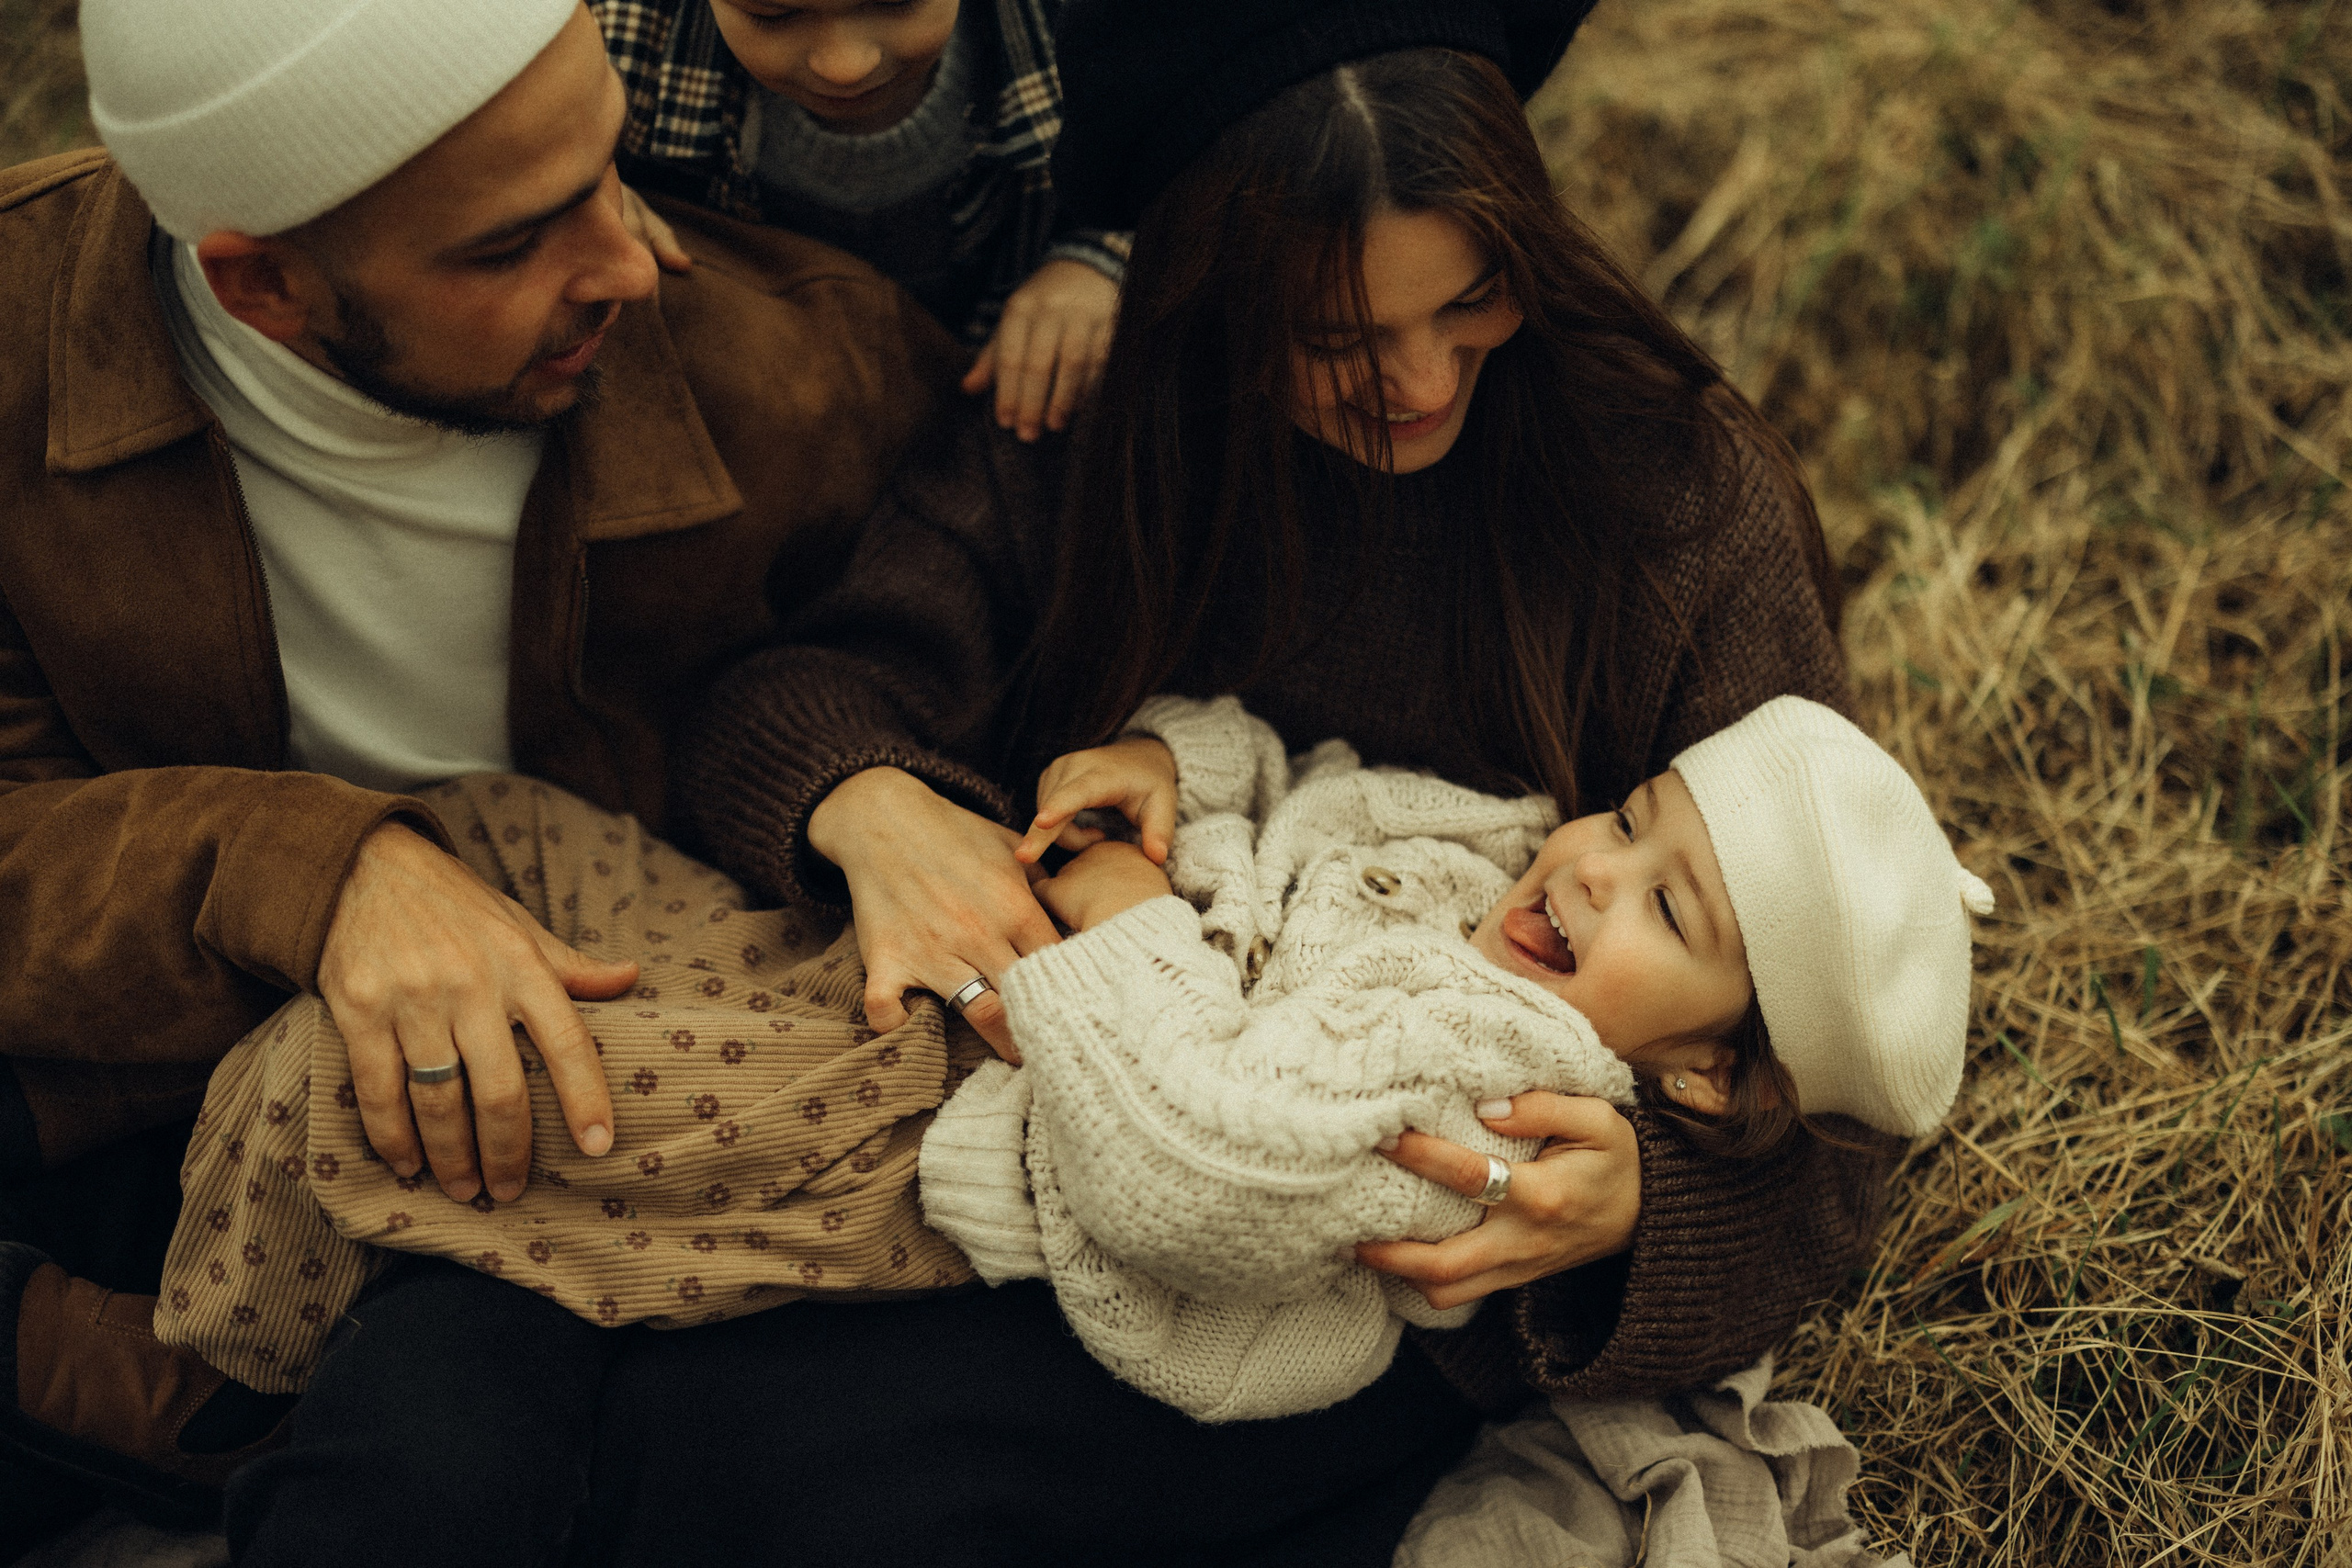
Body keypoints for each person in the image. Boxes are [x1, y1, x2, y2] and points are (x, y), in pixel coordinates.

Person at [547, 2, 1901, 1560]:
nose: (1419, 382)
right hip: (1056, 1130)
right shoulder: (1101, 433)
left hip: (1385, 1281)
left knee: (806, 1476)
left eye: (1473, 305)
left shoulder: (1673, 497)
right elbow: (801, 691)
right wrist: (865, 796)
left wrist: (1648, 1218)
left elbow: (1846, 1054)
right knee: (653, 1426)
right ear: (1207, 297)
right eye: (1336, 340)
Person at [0, 0, 956, 1541]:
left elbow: (989, 623)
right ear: (260, 284)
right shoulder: (18, 329)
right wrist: (320, 870)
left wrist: (878, 787)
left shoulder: (802, 371)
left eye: (611, 170)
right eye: (513, 243)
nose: (635, 263)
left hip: (552, 1103)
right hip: (144, 1045)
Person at [922, 694, 1985, 1423]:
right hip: (981, 958)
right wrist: (1172, 768)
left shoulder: (1500, 1095)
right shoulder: (1498, 845)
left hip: (947, 1141)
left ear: (1709, 1070)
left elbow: (1189, 1173)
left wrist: (1125, 911)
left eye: (1667, 907)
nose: (1596, 871)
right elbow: (1316, 781)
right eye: (1625, 818)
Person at [594, 0, 1129, 442]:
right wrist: (589, 198)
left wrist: (1103, 260)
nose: (845, 65)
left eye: (895, 2)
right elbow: (519, 168)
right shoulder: (611, 50)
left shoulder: (1090, 28)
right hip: (772, 433)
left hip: (1009, 417)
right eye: (773, 16)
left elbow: (1193, 166)